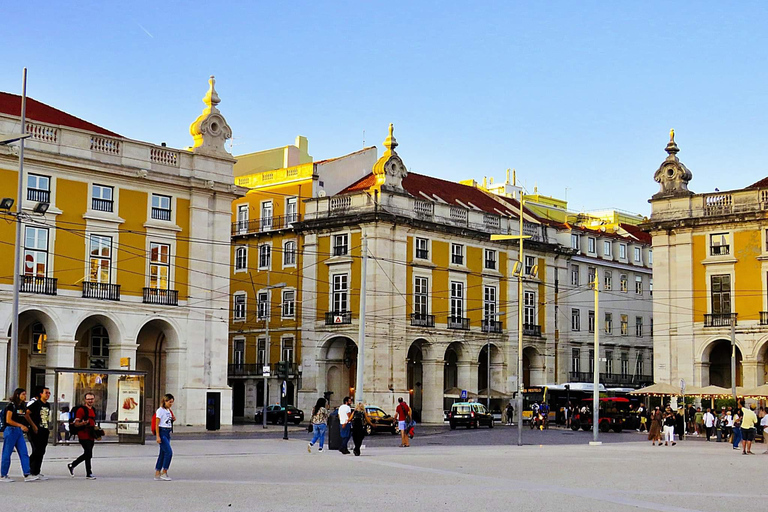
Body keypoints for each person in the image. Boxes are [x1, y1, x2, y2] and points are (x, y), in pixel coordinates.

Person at [1, 388, 37, 482]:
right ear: (17, 395)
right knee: (7, 452)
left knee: (24, 452)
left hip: (18, 432)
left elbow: (26, 416)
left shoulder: (22, 406)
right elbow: (8, 420)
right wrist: (20, 425)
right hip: (11, 430)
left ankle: (27, 473)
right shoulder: (11, 406)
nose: (25, 396)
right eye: (23, 394)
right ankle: (3, 474)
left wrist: (32, 425)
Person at [67, 392, 99, 479]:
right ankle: (88, 472)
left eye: (92, 399)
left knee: (88, 454)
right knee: (88, 453)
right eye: (88, 399)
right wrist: (83, 423)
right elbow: (76, 423)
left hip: (91, 434)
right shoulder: (81, 410)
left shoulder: (93, 409)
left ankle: (73, 466)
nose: (90, 401)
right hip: (83, 434)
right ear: (85, 400)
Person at [25, 386, 51, 480]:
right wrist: (33, 425)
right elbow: (27, 414)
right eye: (46, 393)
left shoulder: (47, 405)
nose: (48, 395)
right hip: (35, 430)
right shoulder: (36, 404)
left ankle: (37, 471)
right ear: (41, 394)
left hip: (44, 429)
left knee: (42, 451)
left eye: (49, 393)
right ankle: (28, 467)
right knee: (36, 450)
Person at [154, 393, 175, 481]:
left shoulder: (168, 410)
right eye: (170, 402)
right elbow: (157, 424)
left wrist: (172, 419)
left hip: (167, 432)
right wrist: (158, 436)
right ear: (165, 401)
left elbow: (168, 420)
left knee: (162, 453)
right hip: (162, 431)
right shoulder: (160, 410)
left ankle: (157, 472)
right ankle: (164, 471)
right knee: (169, 452)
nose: (171, 404)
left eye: (172, 402)